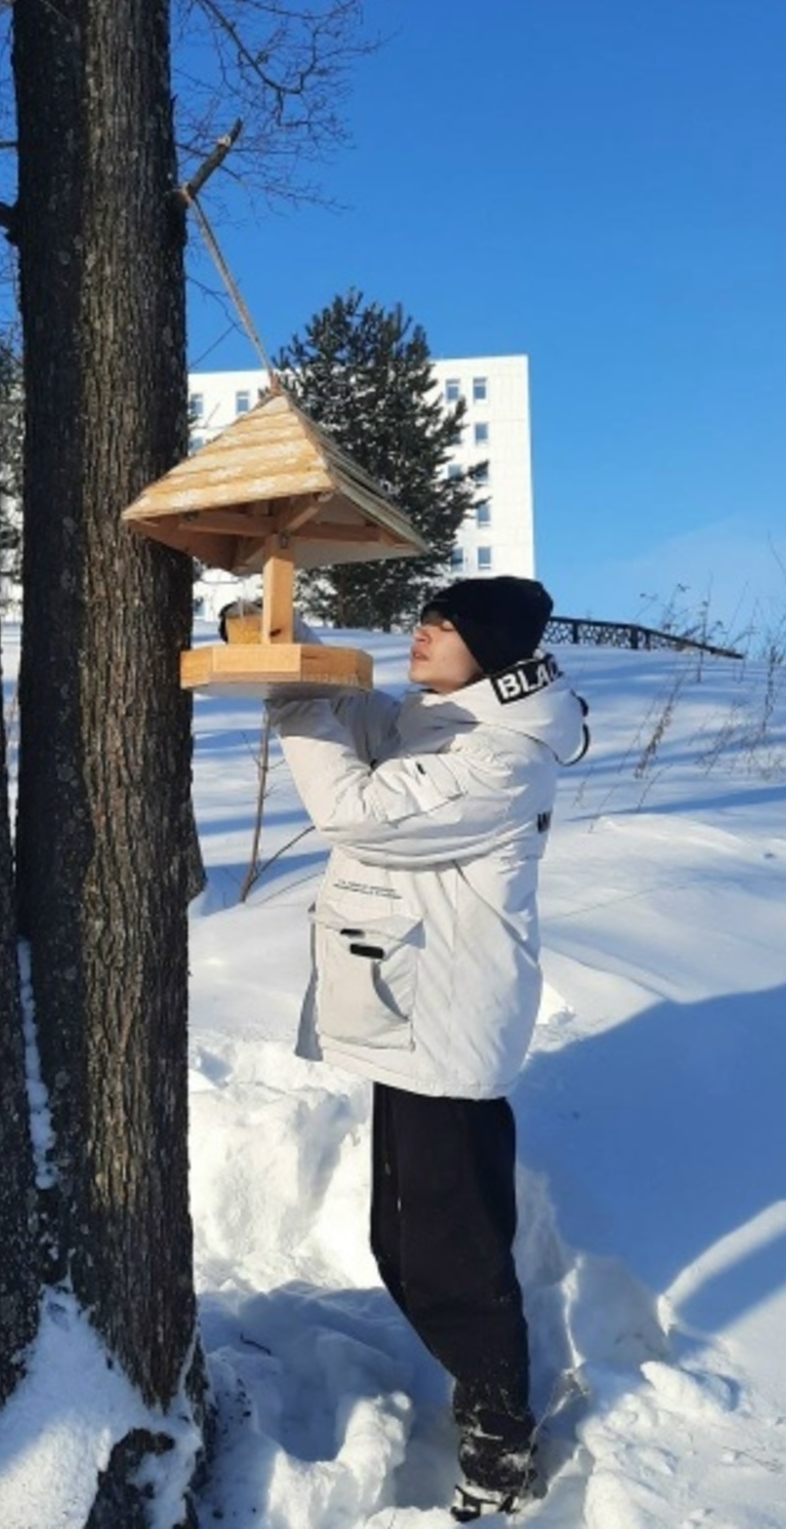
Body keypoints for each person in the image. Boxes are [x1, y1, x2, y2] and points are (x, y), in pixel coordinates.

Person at [265, 576, 589, 1520]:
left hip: (449, 1022)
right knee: (404, 1239)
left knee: (451, 1250)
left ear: (491, 649)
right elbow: (348, 704)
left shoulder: (504, 758)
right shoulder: (439, 721)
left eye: (447, 626)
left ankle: (499, 1439)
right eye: (425, 616)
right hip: (410, 1014)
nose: (423, 632)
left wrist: (293, 698)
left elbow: (355, 811)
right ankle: (483, 1396)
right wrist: (283, 635)